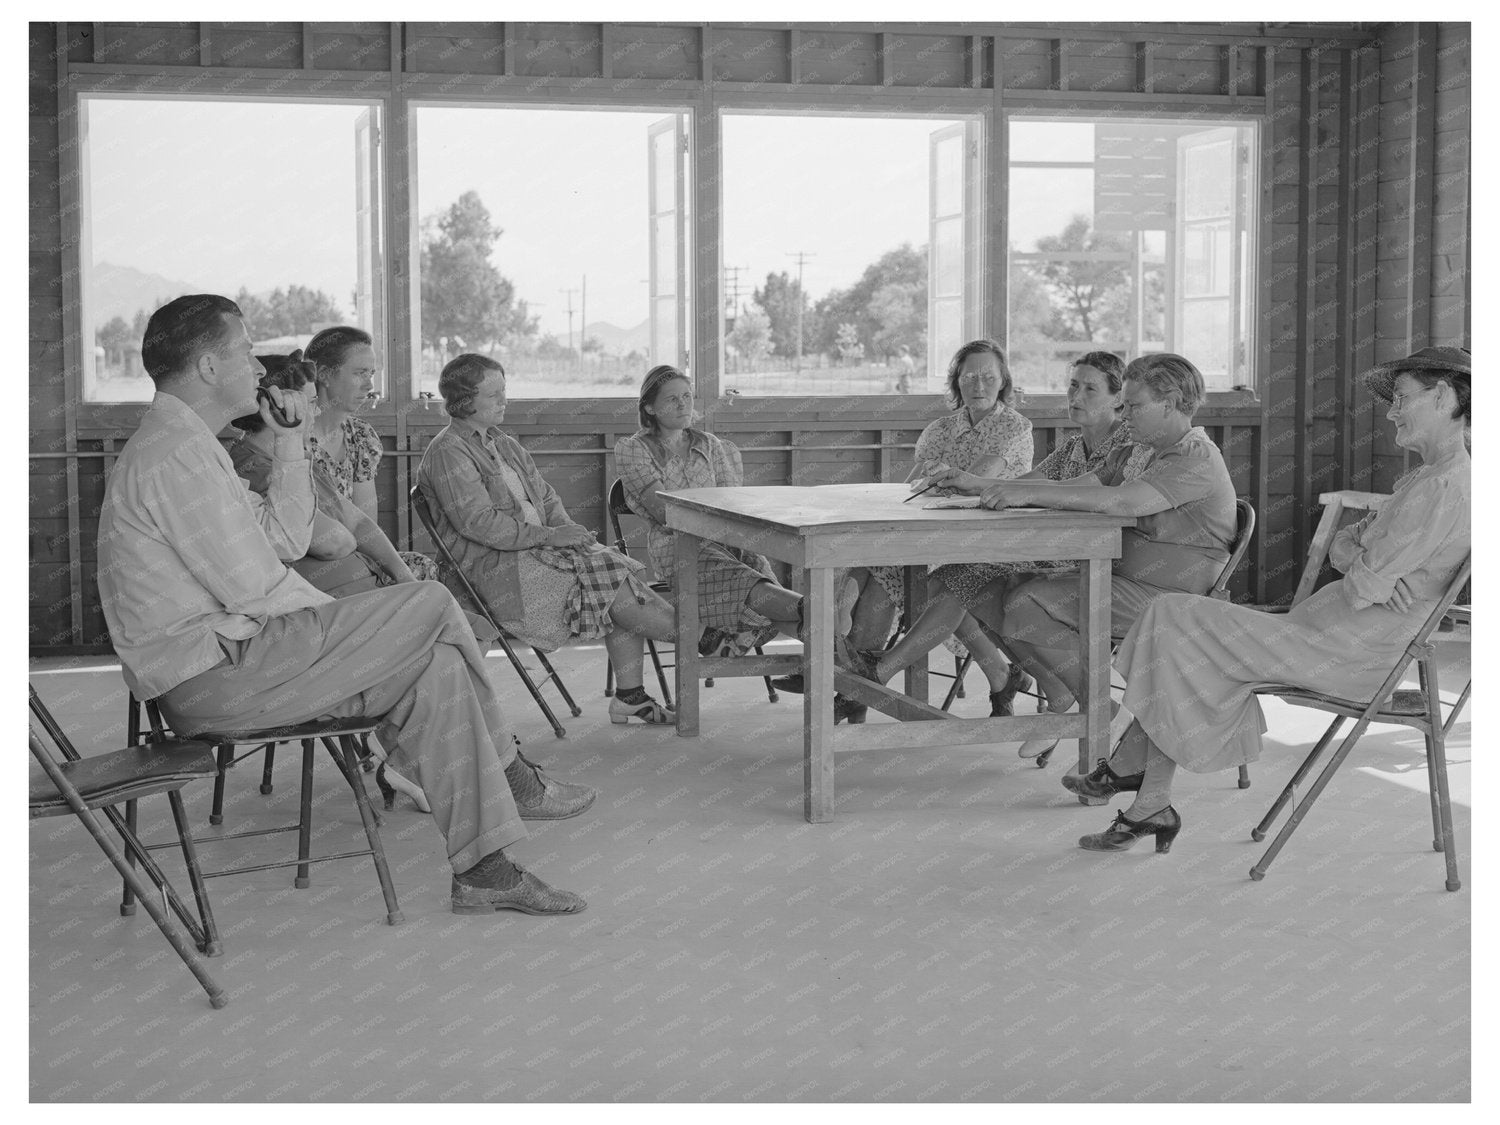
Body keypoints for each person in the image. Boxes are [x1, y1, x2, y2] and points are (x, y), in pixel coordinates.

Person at [97, 295, 593, 916]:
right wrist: (357, 614)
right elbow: (256, 585)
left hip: (242, 658)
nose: (259, 368)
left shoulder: (192, 445)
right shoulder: (174, 454)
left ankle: (485, 870)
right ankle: (512, 773)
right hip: (214, 673)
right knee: (430, 604)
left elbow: (285, 538)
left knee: (437, 666)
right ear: (207, 367)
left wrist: (289, 443)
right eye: (246, 351)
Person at [1067, 346, 1470, 853]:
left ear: (1442, 397)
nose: (1391, 412)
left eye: (1402, 398)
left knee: (1170, 616)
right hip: (1322, 632)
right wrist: (1358, 552)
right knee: (1172, 625)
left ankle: (1134, 777)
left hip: (1348, 653)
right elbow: (1349, 551)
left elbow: (1363, 584)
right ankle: (1149, 801)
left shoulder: (1446, 487)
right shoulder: (1427, 477)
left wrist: (1358, 555)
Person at [919, 352, 1237, 760]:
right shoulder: (1138, 451)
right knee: (986, 588)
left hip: (1171, 600)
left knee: (1025, 601)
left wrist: (1025, 495)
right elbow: (1076, 485)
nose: (1126, 414)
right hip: (1114, 579)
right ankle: (1082, 703)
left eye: (1134, 405)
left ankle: (1097, 709)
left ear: (1171, 404)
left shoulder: (1194, 456)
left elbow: (1124, 501)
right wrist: (978, 484)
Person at [863, 352, 1152, 715]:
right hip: (1052, 552)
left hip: (1097, 562)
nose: (1076, 397)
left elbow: (1090, 498)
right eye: (1073, 386)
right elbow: (1022, 485)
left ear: (1118, 398)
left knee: (979, 583)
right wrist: (970, 482)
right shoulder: (1071, 447)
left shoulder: (1129, 443)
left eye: (1090, 389)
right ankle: (1053, 687)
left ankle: (880, 669)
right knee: (953, 577)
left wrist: (1006, 490)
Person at [418, 353, 680, 725]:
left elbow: (546, 497)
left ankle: (634, 692)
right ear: (464, 401)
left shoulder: (502, 443)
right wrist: (552, 536)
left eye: (504, 390)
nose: (504, 400)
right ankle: (696, 639)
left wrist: (569, 534)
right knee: (612, 580)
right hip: (492, 569)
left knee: (612, 570)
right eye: (493, 395)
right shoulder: (449, 451)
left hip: (535, 551)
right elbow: (479, 524)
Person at [801, 338, 1035, 717]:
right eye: (969, 377)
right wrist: (939, 483)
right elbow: (914, 489)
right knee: (884, 565)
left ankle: (854, 683)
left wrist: (944, 480)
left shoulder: (1014, 427)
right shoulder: (940, 429)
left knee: (898, 572)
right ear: (956, 381)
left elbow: (974, 480)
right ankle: (858, 683)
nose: (978, 385)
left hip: (990, 545)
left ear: (1003, 380)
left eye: (988, 376)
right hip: (935, 537)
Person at [615, 365, 804, 656]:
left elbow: (730, 506)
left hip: (726, 539)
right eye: (672, 399)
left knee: (759, 576)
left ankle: (829, 655)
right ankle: (821, 610)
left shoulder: (712, 445)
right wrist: (713, 517)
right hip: (676, 544)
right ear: (650, 407)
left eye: (687, 396)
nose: (683, 404)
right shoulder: (634, 449)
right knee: (755, 588)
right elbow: (666, 513)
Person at [302, 328, 438, 582]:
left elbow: (365, 524)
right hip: (310, 562)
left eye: (371, 373)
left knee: (422, 567)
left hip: (355, 554)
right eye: (359, 373)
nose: (369, 385)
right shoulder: (294, 439)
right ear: (324, 374)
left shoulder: (361, 436)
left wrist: (399, 574)